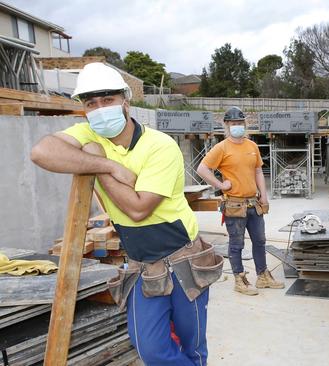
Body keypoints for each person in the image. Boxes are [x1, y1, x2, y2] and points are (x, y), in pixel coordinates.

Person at [30, 62, 221, 365]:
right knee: (150, 348)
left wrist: (96, 163)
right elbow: (41, 152)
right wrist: (107, 164)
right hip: (141, 263)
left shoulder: (159, 146)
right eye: (91, 103)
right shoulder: (89, 134)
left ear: (125, 103)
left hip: (182, 258)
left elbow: (137, 209)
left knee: (191, 345)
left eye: (107, 100)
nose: (99, 108)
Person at [197, 107, 283, 296]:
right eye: (233, 123)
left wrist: (264, 195)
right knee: (236, 244)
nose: (237, 126)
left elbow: (258, 171)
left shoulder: (251, 146)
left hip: (253, 203)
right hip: (234, 205)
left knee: (260, 240)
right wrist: (220, 185)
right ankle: (239, 279)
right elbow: (202, 169)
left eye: (240, 123)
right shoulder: (221, 147)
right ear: (226, 125)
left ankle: (262, 276)